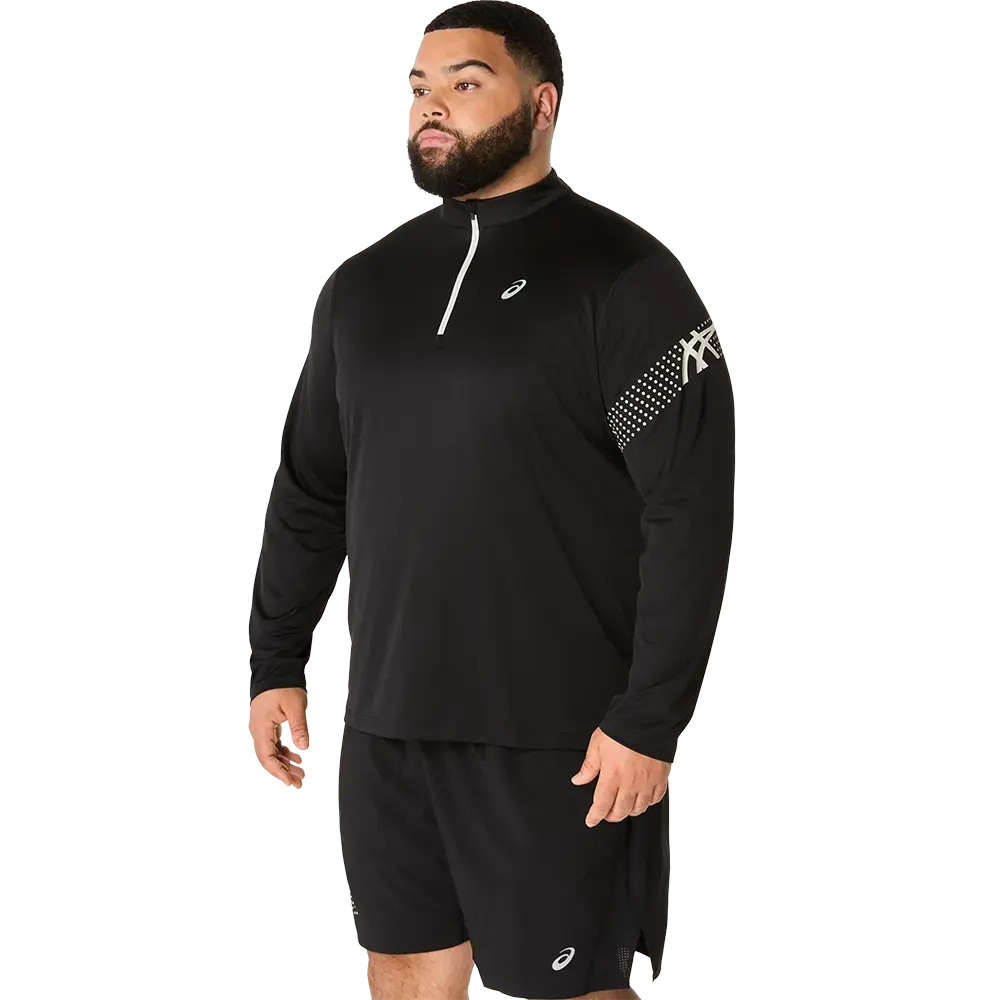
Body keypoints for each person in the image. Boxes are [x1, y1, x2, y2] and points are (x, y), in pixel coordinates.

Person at [247, 2, 735, 998]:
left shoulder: (624, 277)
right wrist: (273, 662)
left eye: (466, 84)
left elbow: (688, 510)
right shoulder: (364, 286)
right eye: (420, 88)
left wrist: (649, 717)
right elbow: (312, 489)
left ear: (541, 105)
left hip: (560, 732)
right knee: (402, 971)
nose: (433, 108)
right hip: (390, 719)